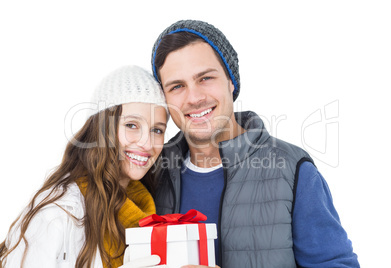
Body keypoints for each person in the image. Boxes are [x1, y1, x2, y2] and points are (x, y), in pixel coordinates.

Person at [149, 20, 360, 268]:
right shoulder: (151, 172)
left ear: (231, 81)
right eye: (177, 86)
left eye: (205, 78)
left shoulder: (292, 170)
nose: (194, 98)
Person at [0, 65, 168, 268]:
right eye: (131, 125)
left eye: (157, 130)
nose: (147, 143)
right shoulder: (57, 213)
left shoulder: (148, 206)